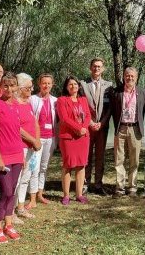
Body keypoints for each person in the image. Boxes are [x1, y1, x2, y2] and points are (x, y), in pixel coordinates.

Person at [0, 72, 25, 243]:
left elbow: (17, 132)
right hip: (2, 156)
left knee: (13, 192)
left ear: (17, 86)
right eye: (6, 85)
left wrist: (22, 156)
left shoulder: (17, 105)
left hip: (17, 154)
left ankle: (9, 225)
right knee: (6, 192)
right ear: (1, 87)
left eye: (13, 85)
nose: (9, 89)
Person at [111, 67, 145, 198]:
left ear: (136, 78)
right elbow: (112, 110)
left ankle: (132, 187)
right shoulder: (116, 92)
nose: (129, 78)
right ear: (123, 77)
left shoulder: (143, 92)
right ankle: (119, 188)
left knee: (134, 160)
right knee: (119, 159)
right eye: (127, 75)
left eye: (132, 76)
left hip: (135, 129)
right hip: (120, 128)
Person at [56, 76, 91, 205]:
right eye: (70, 84)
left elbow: (87, 115)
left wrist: (84, 128)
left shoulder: (83, 100)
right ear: (66, 87)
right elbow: (64, 118)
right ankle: (66, 195)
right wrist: (78, 128)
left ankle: (79, 194)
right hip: (69, 137)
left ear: (79, 86)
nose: (73, 86)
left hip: (83, 137)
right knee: (68, 166)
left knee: (81, 165)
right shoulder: (61, 100)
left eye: (75, 84)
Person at [81, 58, 113, 196]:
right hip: (88, 127)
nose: (96, 69)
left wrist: (103, 122)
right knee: (86, 156)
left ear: (103, 69)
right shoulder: (82, 84)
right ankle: (85, 184)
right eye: (94, 66)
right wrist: (90, 122)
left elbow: (110, 107)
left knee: (100, 156)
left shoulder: (109, 85)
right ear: (90, 67)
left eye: (99, 66)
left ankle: (98, 184)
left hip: (102, 127)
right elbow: (81, 106)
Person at [15, 73, 41, 218]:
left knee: (26, 176)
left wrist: (37, 140)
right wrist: (33, 140)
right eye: (29, 88)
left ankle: (20, 207)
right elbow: (17, 128)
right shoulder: (14, 104)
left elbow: (35, 122)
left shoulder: (28, 103)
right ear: (20, 88)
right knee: (18, 178)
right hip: (21, 147)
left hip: (31, 147)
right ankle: (12, 210)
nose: (31, 90)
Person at [29, 73, 58, 204]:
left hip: (51, 138)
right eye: (44, 83)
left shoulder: (55, 101)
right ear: (39, 84)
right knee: (34, 167)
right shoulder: (33, 99)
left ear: (52, 85)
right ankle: (32, 197)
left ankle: (40, 193)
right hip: (37, 139)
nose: (46, 85)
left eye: (49, 83)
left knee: (44, 167)